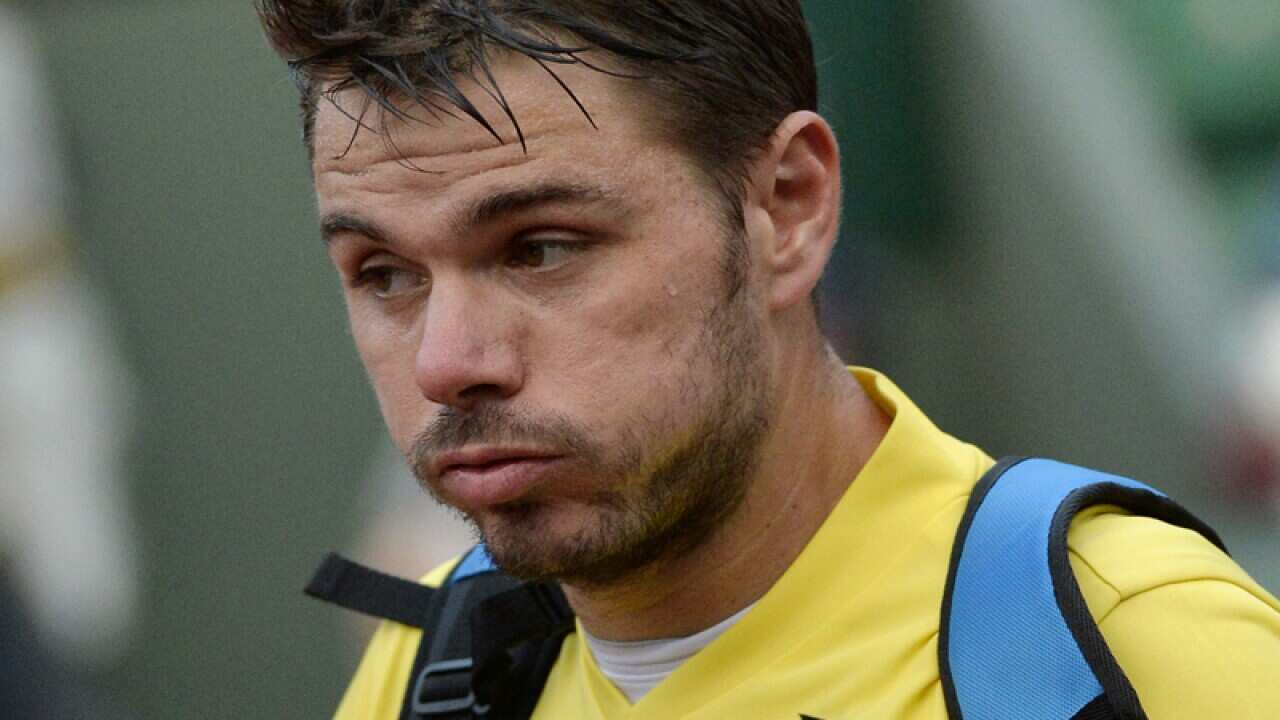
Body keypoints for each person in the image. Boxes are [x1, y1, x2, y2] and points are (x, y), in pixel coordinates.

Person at [256, 2, 1280, 718]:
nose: (447, 363)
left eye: (541, 247)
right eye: (382, 272)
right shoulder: (427, 665)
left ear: (786, 207)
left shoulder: (1122, 647)